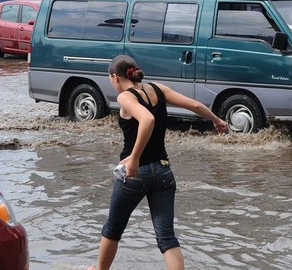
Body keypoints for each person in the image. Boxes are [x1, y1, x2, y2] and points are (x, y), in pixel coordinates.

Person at [93, 55, 227, 270]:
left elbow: (148, 119)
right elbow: (193, 104)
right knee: (166, 237)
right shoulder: (158, 89)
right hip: (164, 172)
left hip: (134, 175)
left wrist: (134, 158)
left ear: (115, 77)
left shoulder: (126, 97)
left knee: (113, 228)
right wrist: (216, 120)